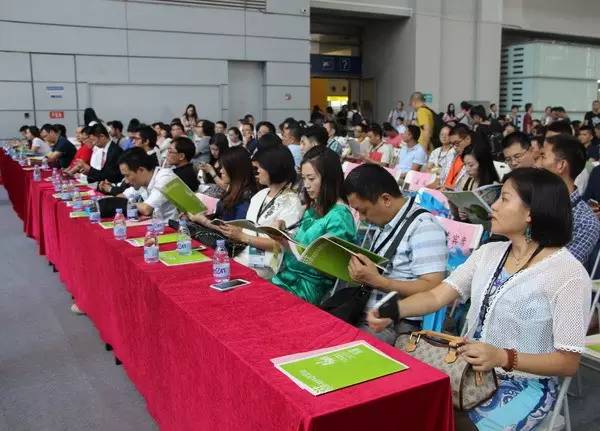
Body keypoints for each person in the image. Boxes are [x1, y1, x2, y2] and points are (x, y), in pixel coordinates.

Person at [368, 167, 590, 431]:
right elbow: (437, 295)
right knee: (403, 404)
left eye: (504, 198)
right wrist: (394, 311)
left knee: (443, 421)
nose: (493, 206)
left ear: (531, 212)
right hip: (467, 371)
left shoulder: (567, 274)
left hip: (524, 385)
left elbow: (567, 362)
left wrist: (503, 357)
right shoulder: (489, 253)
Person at [344, 164, 448, 344]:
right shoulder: (388, 220)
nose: (362, 218)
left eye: (363, 210)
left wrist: (378, 281)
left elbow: (433, 287)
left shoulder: (424, 227)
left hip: (395, 324)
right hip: (366, 312)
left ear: (386, 199)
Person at [270, 147, 356, 304]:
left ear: (329, 179)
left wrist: (289, 245)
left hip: (307, 289)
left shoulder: (340, 217)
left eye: (311, 178)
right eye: (303, 178)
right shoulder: (314, 206)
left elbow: (334, 267)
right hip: (286, 278)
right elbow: (302, 245)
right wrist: (284, 235)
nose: (306, 185)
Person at [219, 145, 304, 279]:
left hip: (268, 267)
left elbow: (281, 245)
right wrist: (236, 231)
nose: (257, 171)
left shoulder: (291, 202)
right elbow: (250, 229)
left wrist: (242, 236)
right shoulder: (260, 195)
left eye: (260, 167)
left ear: (273, 168)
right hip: (245, 257)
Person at [537, 134, 600, 264]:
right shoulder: (530, 200)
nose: (537, 164)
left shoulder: (586, 223)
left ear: (561, 165)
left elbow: (562, 268)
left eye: (543, 157)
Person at [188, 146, 257, 224]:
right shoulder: (234, 190)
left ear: (234, 170)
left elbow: (234, 229)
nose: (221, 171)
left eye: (224, 168)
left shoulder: (246, 200)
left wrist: (203, 221)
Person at [118, 148, 178, 221]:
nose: (126, 181)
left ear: (141, 170)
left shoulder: (164, 177)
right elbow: (121, 197)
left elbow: (146, 209)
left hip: (174, 226)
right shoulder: (141, 182)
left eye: (127, 175)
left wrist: (126, 204)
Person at [443, 124, 473, 190]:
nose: (454, 147)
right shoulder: (452, 155)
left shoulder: (474, 161)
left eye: (457, 143)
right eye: (452, 144)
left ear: (468, 139)